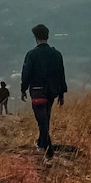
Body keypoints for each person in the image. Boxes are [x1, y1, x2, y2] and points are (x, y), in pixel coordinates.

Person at [20, 23, 67, 159]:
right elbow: (61, 74)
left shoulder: (31, 55)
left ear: (36, 37)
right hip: (52, 91)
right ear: (47, 36)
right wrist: (61, 94)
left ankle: (49, 149)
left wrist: (23, 89)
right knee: (46, 117)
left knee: (41, 119)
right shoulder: (57, 54)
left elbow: (26, 74)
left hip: (37, 91)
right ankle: (41, 142)